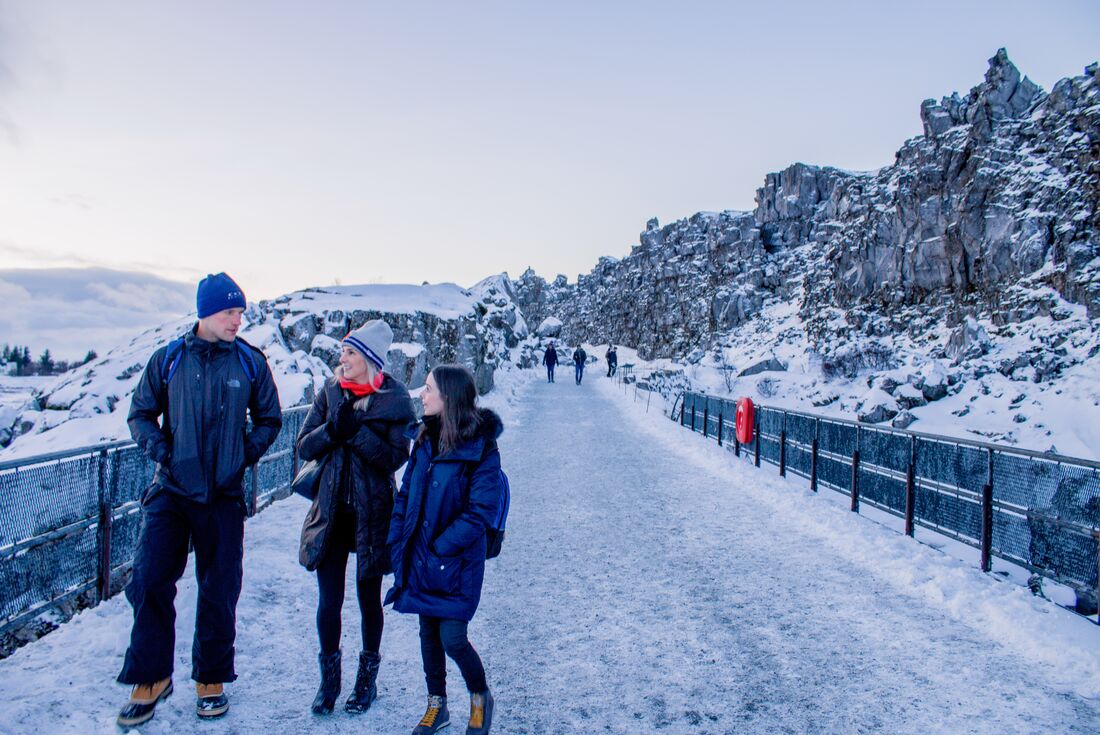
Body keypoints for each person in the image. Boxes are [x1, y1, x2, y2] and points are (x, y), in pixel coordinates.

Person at [117, 273, 282, 727]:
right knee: (149, 579)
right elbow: (140, 414)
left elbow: (270, 418)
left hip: (223, 495)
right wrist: (162, 451)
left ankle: (211, 678)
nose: (237, 319)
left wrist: (243, 455)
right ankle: (151, 678)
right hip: (171, 489)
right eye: (229, 311)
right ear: (205, 312)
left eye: (240, 312)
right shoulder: (168, 360)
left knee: (219, 588)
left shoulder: (249, 362)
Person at [297, 320, 416, 715]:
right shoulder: (330, 392)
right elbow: (303, 446)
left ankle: (367, 681)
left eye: (349, 353)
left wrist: (357, 434)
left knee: (369, 600)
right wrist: (334, 429)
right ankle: (328, 682)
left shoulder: (395, 400)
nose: (341, 359)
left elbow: (396, 458)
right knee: (328, 601)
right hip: (330, 513)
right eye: (342, 352)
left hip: (372, 513)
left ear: (368, 359)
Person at [386, 365, 502, 735]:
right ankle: (437, 705)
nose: (422, 394)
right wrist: (396, 539)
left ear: (448, 397)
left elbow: (479, 512)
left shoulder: (481, 447)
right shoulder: (423, 439)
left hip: (456, 562)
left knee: (452, 636)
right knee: (427, 633)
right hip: (421, 555)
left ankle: (480, 697)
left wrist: (439, 548)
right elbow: (407, 494)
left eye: (429, 388)